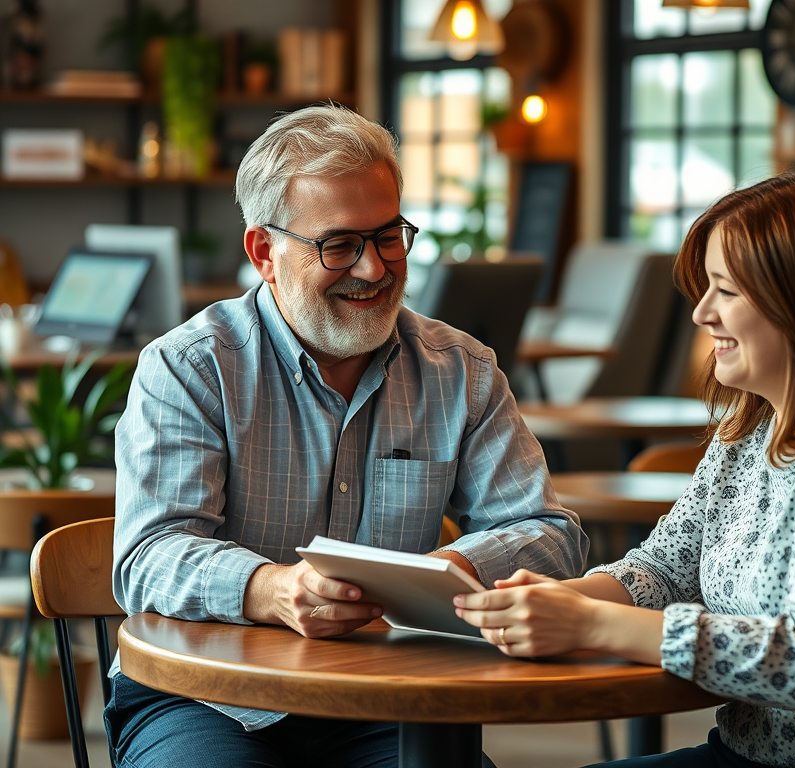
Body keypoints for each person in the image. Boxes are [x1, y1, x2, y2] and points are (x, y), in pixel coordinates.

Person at [455, 165, 795, 768]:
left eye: (726, 291)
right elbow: (665, 568)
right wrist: (553, 600)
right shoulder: (753, 422)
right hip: (751, 754)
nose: (701, 314)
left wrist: (586, 623)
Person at [106, 103, 588, 768]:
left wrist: (461, 566)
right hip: (205, 696)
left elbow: (551, 531)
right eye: (339, 245)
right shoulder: (190, 368)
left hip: (386, 697)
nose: (373, 268)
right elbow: (149, 554)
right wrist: (273, 589)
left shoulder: (462, 370)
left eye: (389, 235)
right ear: (263, 252)